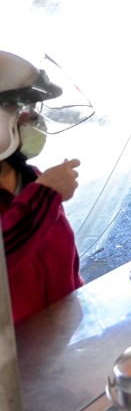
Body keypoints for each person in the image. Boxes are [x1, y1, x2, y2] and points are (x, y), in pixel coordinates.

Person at [0, 51, 83, 322]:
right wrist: (46, 196)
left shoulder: (31, 178)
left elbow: (64, 266)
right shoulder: (41, 193)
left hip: (57, 338)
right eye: (19, 108)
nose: (32, 119)